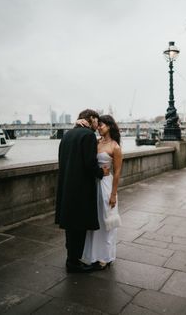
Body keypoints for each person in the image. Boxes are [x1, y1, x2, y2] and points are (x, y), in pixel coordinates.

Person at [55, 109, 110, 273]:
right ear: (91, 119)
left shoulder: (67, 135)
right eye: (96, 121)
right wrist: (102, 173)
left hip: (66, 187)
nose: (97, 125)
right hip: (80, 189)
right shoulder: (88, 136)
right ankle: (74, 263)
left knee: (71, 227)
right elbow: (90, 163)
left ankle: (71, 259)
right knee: (79, 226)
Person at [81, 115, 122, 270]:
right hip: (94, 184)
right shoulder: (96, 142)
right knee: (94, 220)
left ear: (110, 126)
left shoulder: (115, 147)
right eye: (98, 125)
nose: (99, 127)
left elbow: (117, 173)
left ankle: (106, 256)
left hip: (106, 185)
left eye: (102, 125)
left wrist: (113, 194)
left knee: (107, 221)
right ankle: (93, 255)